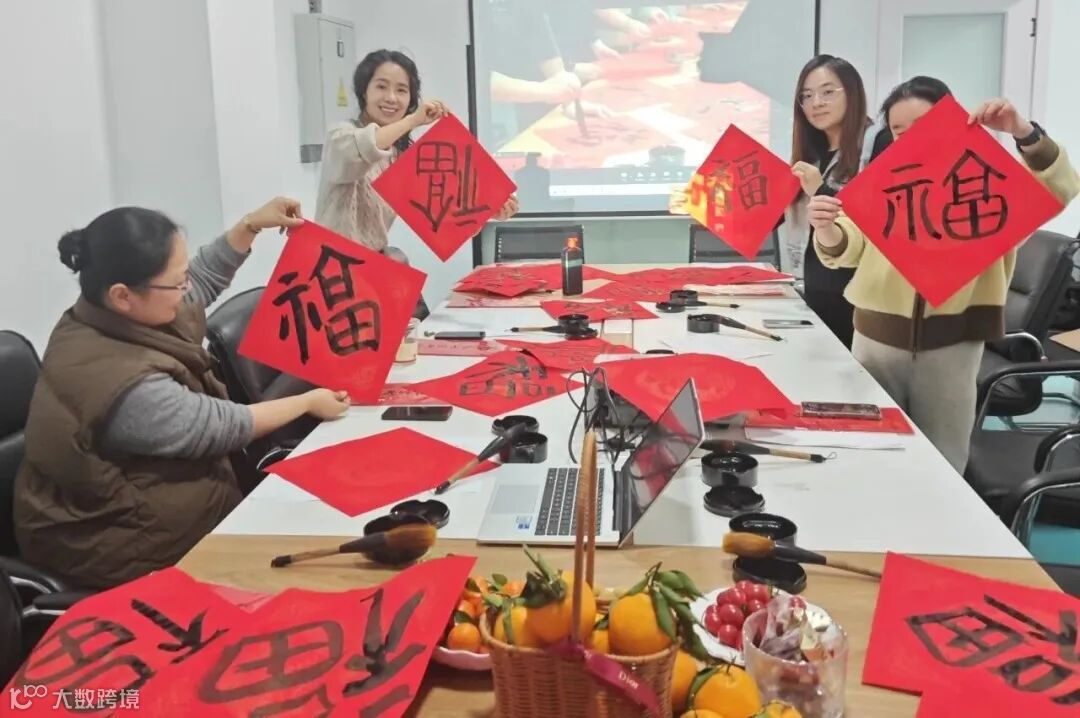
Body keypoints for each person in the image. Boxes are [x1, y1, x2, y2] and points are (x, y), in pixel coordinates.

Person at [14, 198, 352, 589]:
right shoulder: (123, 385)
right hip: (123, 546)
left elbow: (203, 278)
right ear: (122, 295)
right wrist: (308, 401)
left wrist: (250, 225)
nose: (187, 288)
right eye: (177, 283)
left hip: (166, 503)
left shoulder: (113, 315)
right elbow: (222, 426)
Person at [809, 77, 1080, 472]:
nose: (910, 139)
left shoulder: (984, 186)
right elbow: (848, 243)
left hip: (953, 347)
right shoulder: (885, 184)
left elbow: (1058, 187)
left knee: (943, 463)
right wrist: (827, 229)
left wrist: (1023, 132)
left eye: (923, 126)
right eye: (899, 131)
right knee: (870, 455)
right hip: (875, 341)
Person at [316, 49, 519, 262]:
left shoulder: (400, 156)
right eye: (381, 87)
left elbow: (444, 218)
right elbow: (363, 148)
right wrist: (413, 120)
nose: (391, 98)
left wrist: (486, 211)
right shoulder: (340, 135)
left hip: (371, 267)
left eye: (401, 90)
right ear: (364, 91)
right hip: (325, 264)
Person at [784, 55, 875, 349]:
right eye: (807, 96)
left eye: (827, 92)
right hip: (814, 291)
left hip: (857, 301)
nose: (817, 103)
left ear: (852, 92)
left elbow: (876, 223)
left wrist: (820, 189)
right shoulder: (811, 153)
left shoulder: (875, 145)